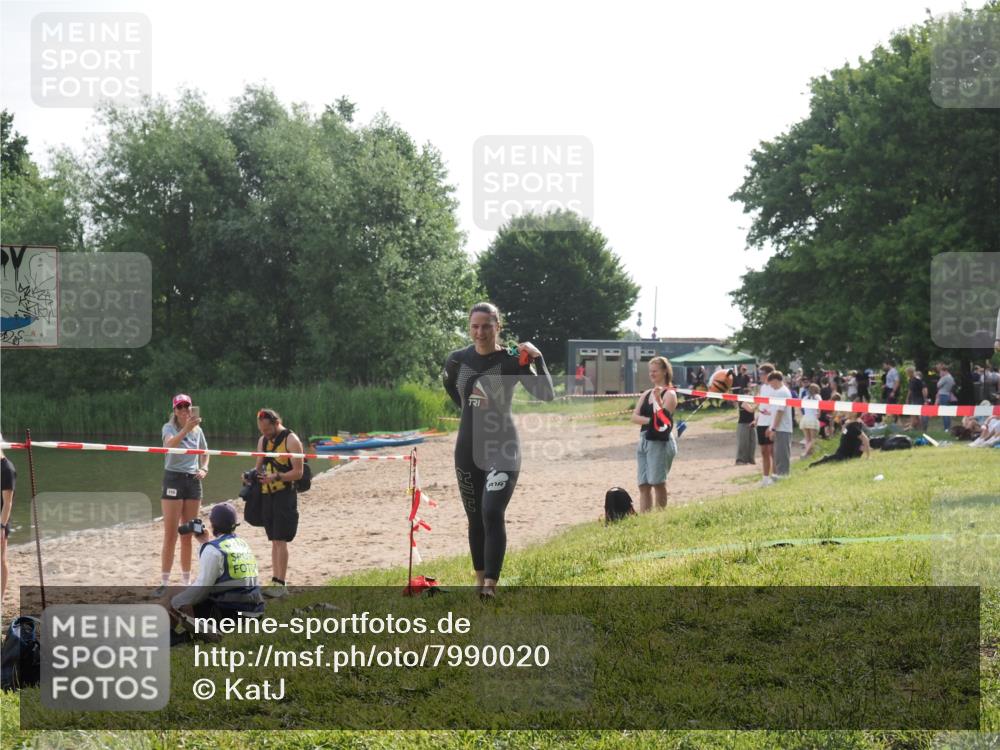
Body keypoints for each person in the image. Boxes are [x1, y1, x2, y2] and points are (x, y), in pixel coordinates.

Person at [442, 302, 554, 599]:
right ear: (470, 328)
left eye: (487, 326)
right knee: (475, 517)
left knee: (492, 511)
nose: (480, 332)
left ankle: (491, 584)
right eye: (475, 326)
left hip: (502, 445)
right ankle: (479, 581)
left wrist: (538, 359)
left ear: (498, 327)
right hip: (466, 449)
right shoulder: (457, 360)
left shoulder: (513, 358)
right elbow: (452, 389)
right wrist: (471, 411)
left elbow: (546, 394)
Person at [166, 502, 264, 639]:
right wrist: (204, 542)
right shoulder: (242, 544)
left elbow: (200, 591)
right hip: (255, 612)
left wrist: (175, 603)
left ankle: (173, 637)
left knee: (175, 595)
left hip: (232, 615)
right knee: (191, 591)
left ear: (213, 524)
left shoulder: (213, 550)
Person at [157, 394, 209, 597]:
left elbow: (206, 451)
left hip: (193, 481)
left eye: (187, 406)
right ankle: (164, 581)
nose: (184, 410)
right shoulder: (168, 428)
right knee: (170, 534)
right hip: (173, 479)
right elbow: (168, 447)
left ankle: (187, 580)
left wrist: (204, 468)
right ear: (174, 410)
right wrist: (186, 429)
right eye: (180, 407)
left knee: (188, 533)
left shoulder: (198, 430)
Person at [255, 408, 304, 598]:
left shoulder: (292, 440)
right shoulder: (263, 440)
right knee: (274, 539)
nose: (265, 434)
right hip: (268, 494)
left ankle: (281, 583)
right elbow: (258, 465)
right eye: (262, 431)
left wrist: (277, 475)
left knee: (281, 539)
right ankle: (275, 580)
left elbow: (298, 473)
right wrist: (250, 476)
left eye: (267, 430)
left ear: (276, 423)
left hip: (285, 494)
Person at [630, 356, 679, 512]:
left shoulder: (670, 394)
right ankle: (645, 517)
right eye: (650, 371)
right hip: (644, 440)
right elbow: (634, 417)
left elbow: (663, 421)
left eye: (655, 371)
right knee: (643, 484)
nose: (652, 374)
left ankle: (660, 516)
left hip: (660, 441)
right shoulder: (646, 393)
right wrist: (651, 420)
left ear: (664, 371)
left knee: (658, 482)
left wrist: (657, 400)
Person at [765, 371, 793, 480]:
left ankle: (783, 476)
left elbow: (780, 412)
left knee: (782, 454)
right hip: (780, 428)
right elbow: (775, 412)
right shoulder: (780, 392)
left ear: (775, 380)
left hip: (783, 428)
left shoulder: (782, 392)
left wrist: (773, 428)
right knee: (778, 454)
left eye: (771, 383)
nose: (771, 386)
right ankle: (780, 475)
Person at [754, 363, 776, 486]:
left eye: (761, 373)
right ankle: (765, 478)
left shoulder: (774, 388)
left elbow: (775, 407)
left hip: (770, 421)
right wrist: (757, 418)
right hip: (762, 421)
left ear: (768, 374)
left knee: (772, 451)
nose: (760, 376)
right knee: (763, 451)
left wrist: (772, 425)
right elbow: (762, 405)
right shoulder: (763, 388)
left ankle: (775, 476)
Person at [1, 437, 15, 599]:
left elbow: (8, 503)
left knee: (1, 560)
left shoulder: (7, 470)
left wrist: (1, 526)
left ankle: (1, 598)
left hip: (1, 520)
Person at [735, 388, 757, 465]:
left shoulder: (750, 402)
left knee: (752, 442)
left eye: (749, 393)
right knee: (743, 443)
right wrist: (759, 403)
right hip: (743, 425)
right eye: (747, 393)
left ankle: (751, 459)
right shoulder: (742, 402)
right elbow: (751, 410)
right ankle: (740, 460)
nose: (749, 394)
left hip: (751, 424)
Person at [799, 383, 821, 458]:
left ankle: (809, 453)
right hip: (813, 418)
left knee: (807, 439)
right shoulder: (817, 397)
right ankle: (805, 453)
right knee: (813, 439)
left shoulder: (805, 397)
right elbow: (820, 407)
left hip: (805, 418)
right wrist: (818, 414)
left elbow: (800, 407)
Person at [905, 366, 929, 432]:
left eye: (907, 372)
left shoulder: (917, 380)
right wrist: (907, 398)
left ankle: (921, 428)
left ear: (910, 372)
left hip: (919, 399)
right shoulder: (910, 380)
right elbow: (910, 390)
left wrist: (925, 399)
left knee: (918, 415)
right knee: (913, 414)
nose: (907, 374)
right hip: (913, 399)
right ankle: (915, 428)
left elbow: (923, 389)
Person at [935, 363, 957, 432]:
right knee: (948, 412)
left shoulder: (945, 377)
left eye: (941, 371)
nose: (940, 373)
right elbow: (953, 384)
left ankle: (946, 428)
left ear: (944, 371)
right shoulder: (951, 377)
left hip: (943, 395)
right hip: (947, 394)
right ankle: (948, 427)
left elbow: (938, 385)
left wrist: (941, 377)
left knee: (944, 412)